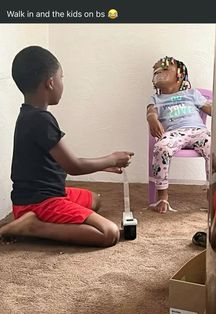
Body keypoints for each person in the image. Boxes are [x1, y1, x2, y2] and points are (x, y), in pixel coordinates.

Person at [0, 46, 134, 247]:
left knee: (95, 200)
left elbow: (62, 160)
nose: (63, 83)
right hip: (39, 202)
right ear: (51, 83)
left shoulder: (29, 114)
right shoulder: (41, 120)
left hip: (43, 195)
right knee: (109, 233)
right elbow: (74, 166)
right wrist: (112, 158)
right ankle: (32, 226)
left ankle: (35, 219)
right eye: (62, 78)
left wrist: (101, 165)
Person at [146, 56, 212, 213]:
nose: (159, 71)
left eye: (165, 69)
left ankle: (214, 194)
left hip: (198, 131)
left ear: (180, 75)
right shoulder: (156, 98)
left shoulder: (191, 93)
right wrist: (152, 118)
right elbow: (151, 112)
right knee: (161, 147)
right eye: (156, 70)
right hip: (174, 134)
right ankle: (162, 198)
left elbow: (210, 108)